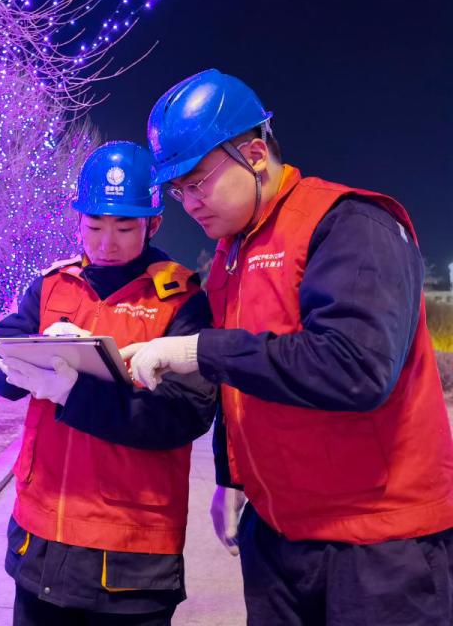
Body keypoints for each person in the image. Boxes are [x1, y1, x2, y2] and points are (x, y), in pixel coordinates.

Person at [123, 68, 453, 625]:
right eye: (177, 192)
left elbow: (355, 368)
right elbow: (241, 380)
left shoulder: (350, 224)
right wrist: (230, 477)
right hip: (279, 537)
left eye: (197, 182)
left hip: (378, 545)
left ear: (255, 154)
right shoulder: (232, 255)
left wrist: (199, 350)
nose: (189, 203)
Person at [0, 141, 217, 625]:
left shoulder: (180, 301)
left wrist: (75, 393)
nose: (107, 243)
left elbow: (186, 413)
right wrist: (19, 367)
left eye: (124, 228)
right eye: (94, 226)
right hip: (40, 535)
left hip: (131, 551)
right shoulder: (52, 286)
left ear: (153, 224)